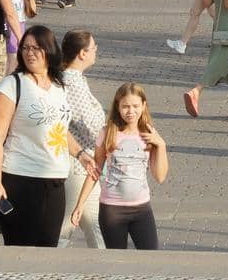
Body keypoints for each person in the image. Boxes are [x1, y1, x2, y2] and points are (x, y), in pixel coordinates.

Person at [0, 25, 81, 247]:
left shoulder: (59, 86)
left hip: (55, 181)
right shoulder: (12, 85)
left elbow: (58, 129)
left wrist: (81, 153)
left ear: (49, 51)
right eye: (26, 48)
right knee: (21, 253)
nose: (30, 53)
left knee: (47, 252)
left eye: (36, 48)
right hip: (20, 180)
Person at [72, 82, 167, 250]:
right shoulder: (107, 132)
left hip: (142, 209)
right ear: (118, 106)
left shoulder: (149, 134)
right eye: (125, 106)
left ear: (144, 105)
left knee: (151, 256)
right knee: (116, 261)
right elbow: (95, 170)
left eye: (135, 106)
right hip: (112, 210)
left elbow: (160, 176)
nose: (130, 111)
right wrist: (80, 205)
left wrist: (161, 145)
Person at [59, 30, 106, 248]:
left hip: (85, 166)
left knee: (94, 226)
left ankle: (105, 270)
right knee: (67, 227)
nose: (96, 51)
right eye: (93, 48)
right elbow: (90, 126)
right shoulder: (72, 82)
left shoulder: (74, 79)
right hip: (78, 166)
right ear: (81, 53)